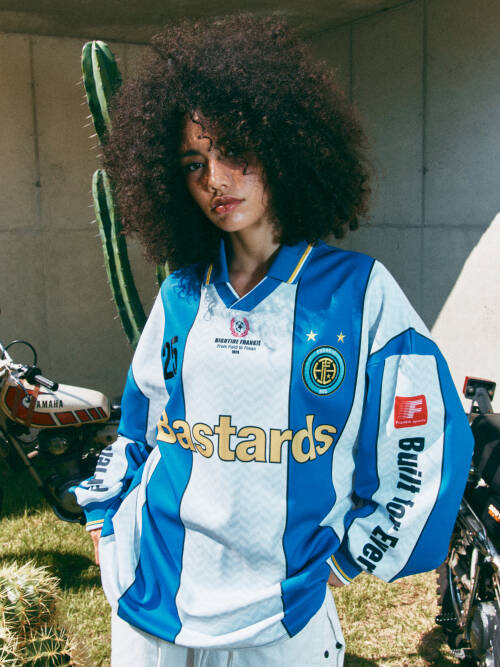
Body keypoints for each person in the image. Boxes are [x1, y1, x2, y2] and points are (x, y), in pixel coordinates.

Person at [74, 14, 474, 666]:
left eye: (234, 150)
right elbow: (139, 428)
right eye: (194, 163)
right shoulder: (180, 294)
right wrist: (104, 520)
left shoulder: (359, 293)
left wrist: (352, 557)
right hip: (153, 594)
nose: (214, 179)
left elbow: (424, 442)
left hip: (282, 614)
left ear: (285, 145)